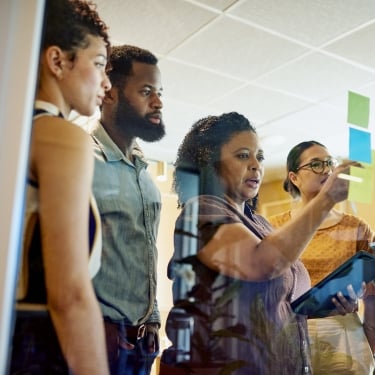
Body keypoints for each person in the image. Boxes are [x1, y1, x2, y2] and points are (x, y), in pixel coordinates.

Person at [158, 112, 363, 375]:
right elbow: (261, 264)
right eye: (243, 155)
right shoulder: (202, 212)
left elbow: (280, 304)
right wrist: (326, 200)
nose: (256, 165)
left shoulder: (263, 226)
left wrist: (322, 305)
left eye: (260, 157)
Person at [9, 1, 111, 374]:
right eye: (99, 63)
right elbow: (69, 294)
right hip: (37, 351)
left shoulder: (15, 133)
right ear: (58, 61)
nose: (107, 82)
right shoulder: (61, 136)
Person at [86, 44, 165, 375]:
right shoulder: (82, 161)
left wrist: (154, 318)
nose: (158, 101)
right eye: (146, 91)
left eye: (160, 92)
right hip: (97, 337)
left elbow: (145, 252)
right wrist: (93, 323)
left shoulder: (145, 176)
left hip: (141, 344)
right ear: (109, 93)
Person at [268, 140, 375, 374]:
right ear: (294, 178)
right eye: (316, 164)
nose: (327, 170)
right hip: (289, 331)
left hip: (344, 330)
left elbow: (372, 293)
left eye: (329, 163)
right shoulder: (274, 227)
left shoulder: (356, 227)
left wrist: (371, 337)